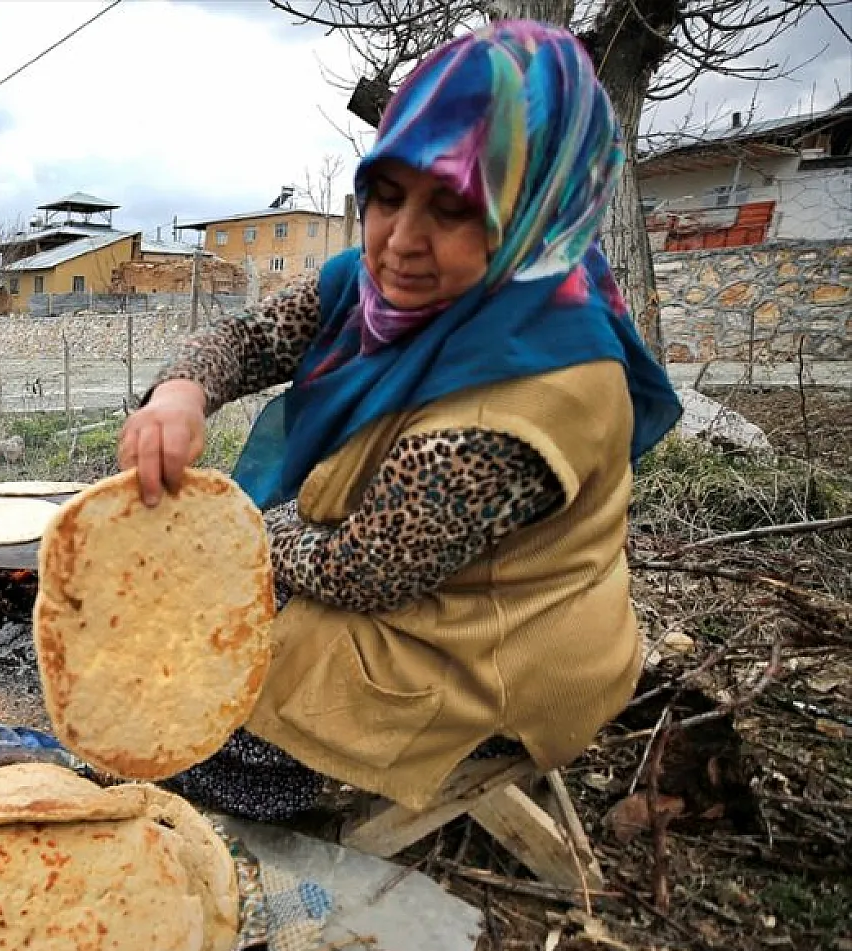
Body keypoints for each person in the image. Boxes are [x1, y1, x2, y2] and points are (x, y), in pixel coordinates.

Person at [119, 21, 682, 822]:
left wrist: (229, 530)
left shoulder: (530, 394)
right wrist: (180, 392)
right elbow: (248, 338)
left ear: (531, 207)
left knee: (209, 712)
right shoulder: (380, 288)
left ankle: (274, 796)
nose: (399, 243)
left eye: (452, 208)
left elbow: (362, 571)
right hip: (418, 578)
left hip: (483, 648)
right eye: (386, 195)